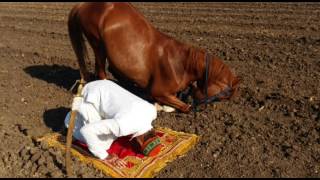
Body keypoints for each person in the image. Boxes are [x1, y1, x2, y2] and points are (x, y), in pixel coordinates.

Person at [64, 80, 162, 168]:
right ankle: (71, 119)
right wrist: (106, 156)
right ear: (140, 142)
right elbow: (86, 131)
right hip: (88, 96)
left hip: (106, 84)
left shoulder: (152, 111)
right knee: (102, 145)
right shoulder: (123, 126)